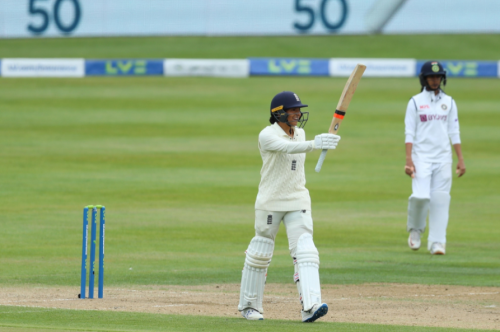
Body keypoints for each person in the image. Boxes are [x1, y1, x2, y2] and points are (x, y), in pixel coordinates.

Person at [238, 91, 340, 322]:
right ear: (279, 113)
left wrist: (316, 142)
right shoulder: (267, 135)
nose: (298, 113)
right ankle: (250, 306)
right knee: (261, 251)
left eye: (298, 109)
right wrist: (316, 143)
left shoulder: (300, 133)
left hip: (298, 198)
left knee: (306, 250)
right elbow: (288, 148)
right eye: (293, 110)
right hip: (271, 201)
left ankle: (311, 306)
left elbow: (299, 145)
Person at [404, 61, 466, 255]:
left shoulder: (450, 102)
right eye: (431, 77)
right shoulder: (415, 101)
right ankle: (415, 230)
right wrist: (408, 160)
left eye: (437, 77)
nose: (434, 80)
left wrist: (460, 159)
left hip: (443, 158)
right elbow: (409, 133)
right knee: (420, 196)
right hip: (421, 156)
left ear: (442, 79)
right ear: (424, 79)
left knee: (441, 200)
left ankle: (437, 243)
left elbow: (454, 132)